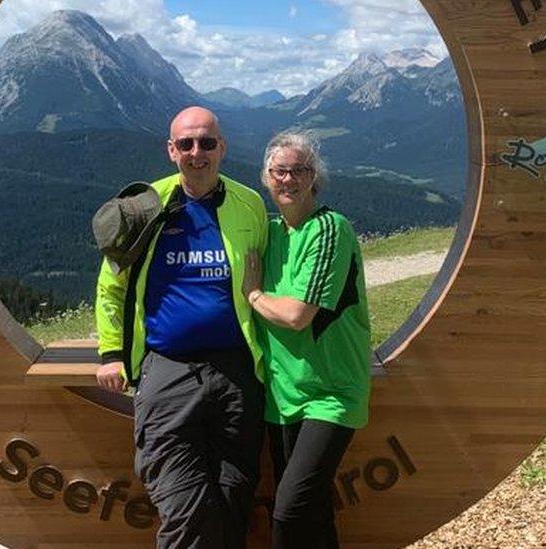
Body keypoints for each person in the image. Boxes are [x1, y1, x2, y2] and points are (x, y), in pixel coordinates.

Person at [94, 106, 268, 548]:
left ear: (222, 148)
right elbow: (110, 288)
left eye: (207, 143)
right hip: (167, 369)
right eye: (186, 144)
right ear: (171, 150)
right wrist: (111, 352)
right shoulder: (144, 207)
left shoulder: (249, 204)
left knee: (234, 495)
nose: (197, 153)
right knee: (182, 502)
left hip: (236, 371)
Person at [242, 132, 371, 549]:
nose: (288, 179)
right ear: (266, 178)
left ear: (314, 177)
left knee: (289, 511)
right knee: (313, 516)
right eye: (279, 171)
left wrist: (254, 294)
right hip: (282, 396)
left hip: (330, 396)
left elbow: (297, 316)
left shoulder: (330, 229)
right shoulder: (271, 233)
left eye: (298, 170)